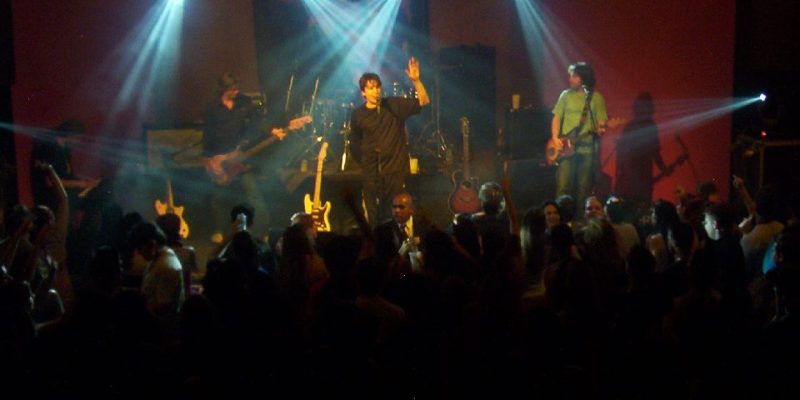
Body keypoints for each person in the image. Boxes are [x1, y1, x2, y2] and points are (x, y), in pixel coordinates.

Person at [203, 72, 286, 242]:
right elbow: (207, 136)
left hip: (239, 158)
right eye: (232, 89)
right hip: (220, 158)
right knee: (219, 198)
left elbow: (258, 122)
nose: (236, 92)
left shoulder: (244, 102)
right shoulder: (212, 108)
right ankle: (220, 231)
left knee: (253, 195)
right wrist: (209, 160)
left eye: (237, 88)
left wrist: (272, 130)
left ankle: (263, 232)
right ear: (223, 89)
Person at [350, 57, 430, 224]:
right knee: (373, 216)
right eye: (371, 88)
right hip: (371, 172)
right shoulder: (358, 114)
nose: (376, 91)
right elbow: (354, 142)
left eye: (377, 87)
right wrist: (364, 161)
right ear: (363, 92)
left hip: (394, 169)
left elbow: (424, 102)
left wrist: (416, 81)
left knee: (392, 214)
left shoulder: (393, 105)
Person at [550, 62, 608, 204]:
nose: (570, 79)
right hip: (566, 149)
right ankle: (561, 216)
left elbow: (601, 124)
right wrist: (555, 138)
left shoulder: (596, 98)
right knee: (563, 187)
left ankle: (581, 216)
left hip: (587, 150)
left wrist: (601, 130)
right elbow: (556, 118)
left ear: (584, 77)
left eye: (574, 76)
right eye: (570, 76)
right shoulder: (565, 95)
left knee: (583, 189)